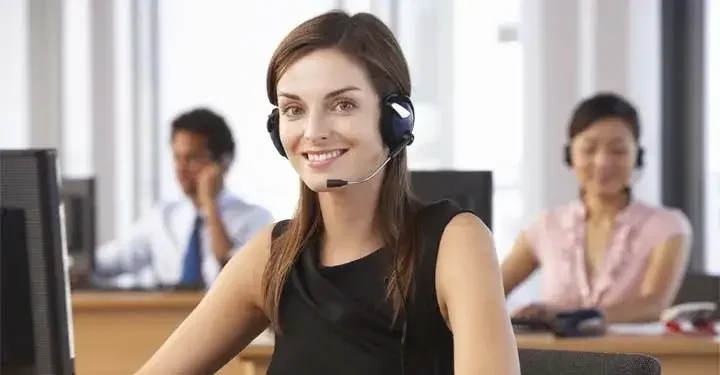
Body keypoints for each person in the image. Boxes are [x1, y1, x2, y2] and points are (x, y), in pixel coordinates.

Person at [135, 10, 520, 375]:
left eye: (343, 104)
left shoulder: (456, 243)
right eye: (293, 110)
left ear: (394, 121)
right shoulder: (274, 256)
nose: (313, 130)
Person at [502, 92, 693, 323]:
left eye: (618, 150)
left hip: (635, 357)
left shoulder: (668, 225)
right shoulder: (545, 226)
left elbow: (653, 305)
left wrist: (569, 316)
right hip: (557, 358)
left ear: (638, 156)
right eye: (589, 149)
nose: (603, 162)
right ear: (569, 155)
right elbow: (491, 291)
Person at [94, 108, 273, 289]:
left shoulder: (255, 219)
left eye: (192, 158)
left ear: (223, 162)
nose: (181, 169)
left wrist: (210, 206)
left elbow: (240, 278)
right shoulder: (162, 217)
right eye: (177, 157)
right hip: (168, 316)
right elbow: (103, 264)